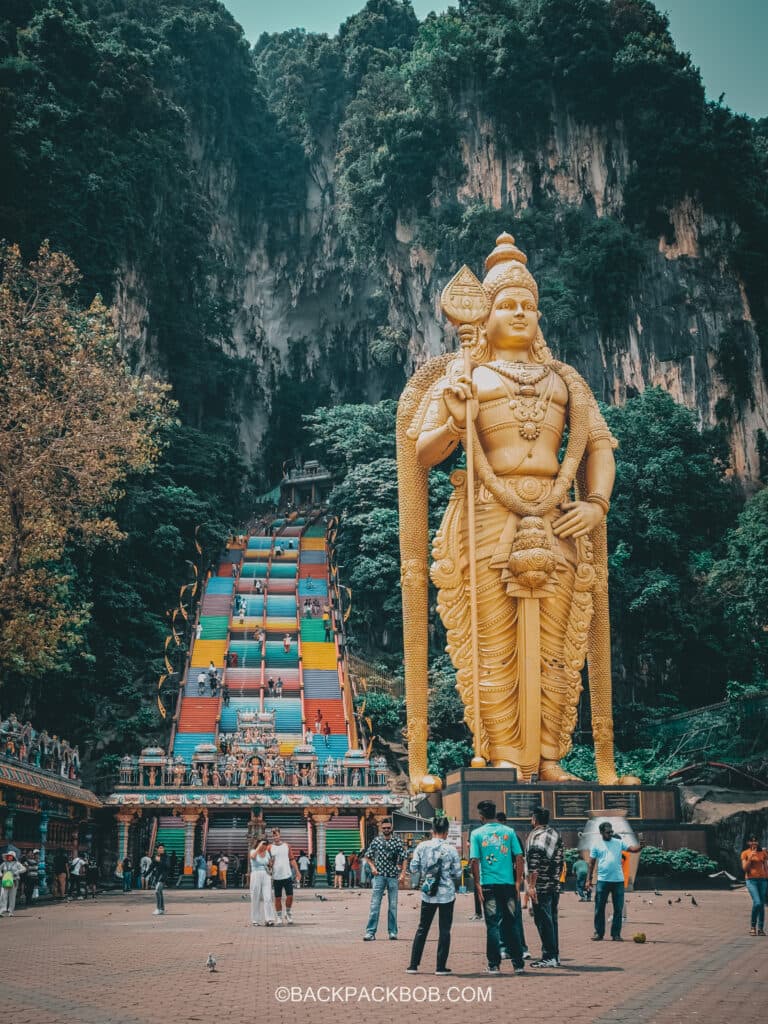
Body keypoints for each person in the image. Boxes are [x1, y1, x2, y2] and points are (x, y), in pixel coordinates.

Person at [399, 233, 639, 789]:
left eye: (528, 306)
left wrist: (597, 504)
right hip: (487, 511)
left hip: (558, 516)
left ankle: (551, 755)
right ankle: (505, 754)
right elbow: (422, 451)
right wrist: (456, 419)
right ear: (483, 316)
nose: (519, 313)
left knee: (560, 643)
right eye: (506, 304)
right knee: (494, 645)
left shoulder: (566, 381)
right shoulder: (466, 377)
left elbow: (598, 446)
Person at [469, 800, 525, 975]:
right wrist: (518, 882)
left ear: (481, 816)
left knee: (492, 925)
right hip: (508, 885)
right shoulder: (509, 832)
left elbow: (474, 861)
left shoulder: (477, 834)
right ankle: (518, 964)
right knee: (512, 923)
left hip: (488, 886)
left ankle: (494, 965)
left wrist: (477, 883)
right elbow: (519, 857)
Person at [407, 816, 462, 976]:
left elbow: (414, 868)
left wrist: (427, 873)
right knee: (444, 930)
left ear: (432, 830)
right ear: (446, 832)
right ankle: (440, 967)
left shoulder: (422, 846)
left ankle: (413, 965)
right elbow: (457, 873)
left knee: (422, 928)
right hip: (447, 895)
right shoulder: (451, 849)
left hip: (428, 893)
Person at [585, 821, 640, 941]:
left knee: (618, 909)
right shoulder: (596, 845)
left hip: (618, 881)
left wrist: (641, 846)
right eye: (607, 832)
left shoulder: (618, 842)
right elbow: (591, 863)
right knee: (599, 908)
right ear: (601, 832)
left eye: (611, 831)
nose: (610, 834)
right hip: (602, 881)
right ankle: (599, 933)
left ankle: (616, 934)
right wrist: (588, 880)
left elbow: (632, 849)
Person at [525, 806, 564, 968]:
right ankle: (554, 955)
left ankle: (549, 956)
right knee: (551, 921)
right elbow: (561, 861)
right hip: (554, 885)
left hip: (541, 887)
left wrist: (531, 887)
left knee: (543, 922)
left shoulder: (537, 837)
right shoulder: (555, 834)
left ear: (534, 820)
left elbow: (534, 865)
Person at [362, 818, 407, 941]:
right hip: (379, 876)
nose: (386, 829)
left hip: (393, 876)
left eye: (388, 827)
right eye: (384, 828)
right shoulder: (377, 841)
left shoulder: (397, 841)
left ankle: (392, 932)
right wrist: (372, 867)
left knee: (393, 905)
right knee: (375, 904)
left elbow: (404, 858)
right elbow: (368, 856)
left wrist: (403, 873)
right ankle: (370, 932)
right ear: (381, 828)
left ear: (391, 828)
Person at [269, 828, 300, 924]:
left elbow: (292, 859)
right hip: (276, 877)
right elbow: (268, 862)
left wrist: (297, 872)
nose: (275, 837)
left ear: (280, 835)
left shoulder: (287, 846)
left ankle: (288, 913)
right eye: (273, 835)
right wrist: (270, 864)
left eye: (277, 835)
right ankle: (279, 917)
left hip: (287, 875)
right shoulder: (269, 847)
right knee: (277, 898)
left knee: (290, 896)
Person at [740, 835, 768, 936]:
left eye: (756, 841)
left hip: (763, 880)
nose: (754, 843)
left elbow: (765, 867)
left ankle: (760, 929)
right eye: (752, 841)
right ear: (748, 843)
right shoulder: (745, 853)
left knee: (761, 905)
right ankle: (752, 926)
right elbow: (744, 869)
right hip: (751, 880)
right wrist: (750, 858)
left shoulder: (763, 853)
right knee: (757, 903)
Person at [249, 840, 277, 926]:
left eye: (265, 845)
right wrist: (258, 847)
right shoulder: (253, 851)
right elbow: (253, 857)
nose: (264, 846)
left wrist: (272, 862)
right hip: (256, 874)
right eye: (263, 844)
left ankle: (269, 919)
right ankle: (255, 920)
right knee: (255, 897)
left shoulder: (267, 853)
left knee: (268, 897)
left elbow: (269, 864)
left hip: (266, 875)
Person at [0, 851, 26, 917]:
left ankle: (11, 911)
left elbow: (24, 869)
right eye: (8, 856)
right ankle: (2, 911)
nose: (9, 857)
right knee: (3, 896)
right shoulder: (4, 863)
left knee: (12, 896)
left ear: (13, 857)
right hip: (5, 881)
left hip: (14, 881)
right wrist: (1, 874)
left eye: (11, 856)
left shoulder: (17, 863)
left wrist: (17, 872)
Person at [147, 843, 169, 915]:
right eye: (160, 848)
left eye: (162, 848)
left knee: (157, 891)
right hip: (157, 876)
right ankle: (162, 909)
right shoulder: (156, 857)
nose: (161, 849)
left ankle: (158, 908)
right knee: (160, 892)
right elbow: (151, 866)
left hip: (163, 876)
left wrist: (160, 861)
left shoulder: (166, 856)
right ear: (157, 849)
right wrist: (145, 874)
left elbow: (167, 866)